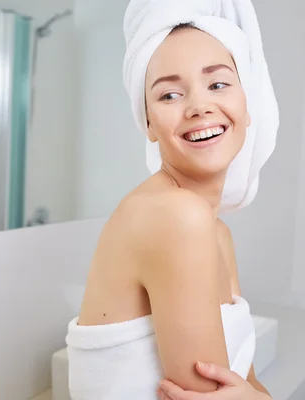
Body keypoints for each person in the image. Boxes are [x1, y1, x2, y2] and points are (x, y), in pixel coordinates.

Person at [65, 1, 279, 399]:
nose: (199, 107)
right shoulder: (175, 216)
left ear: (248, 104)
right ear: (147, 122)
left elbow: (244, 380)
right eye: (169, 95)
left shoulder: (216, 233)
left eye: (218, 84)